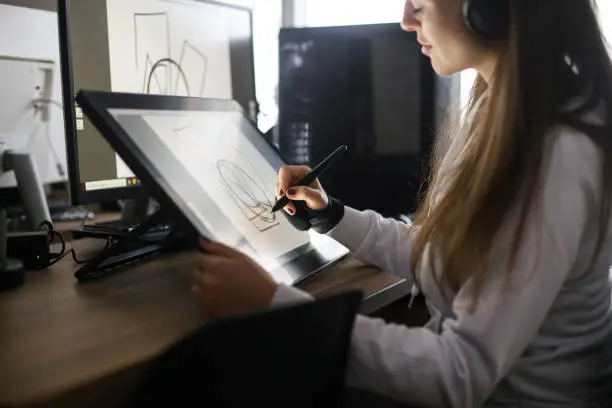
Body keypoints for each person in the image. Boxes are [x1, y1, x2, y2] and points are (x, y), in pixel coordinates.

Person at [190, 0, 612, 406]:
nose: (406, 19)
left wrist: (272, 305)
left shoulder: (552, 152)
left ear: (487, 5)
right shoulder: (499, 108)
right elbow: (450, 256)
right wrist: (330, 215)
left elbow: (457, 374)